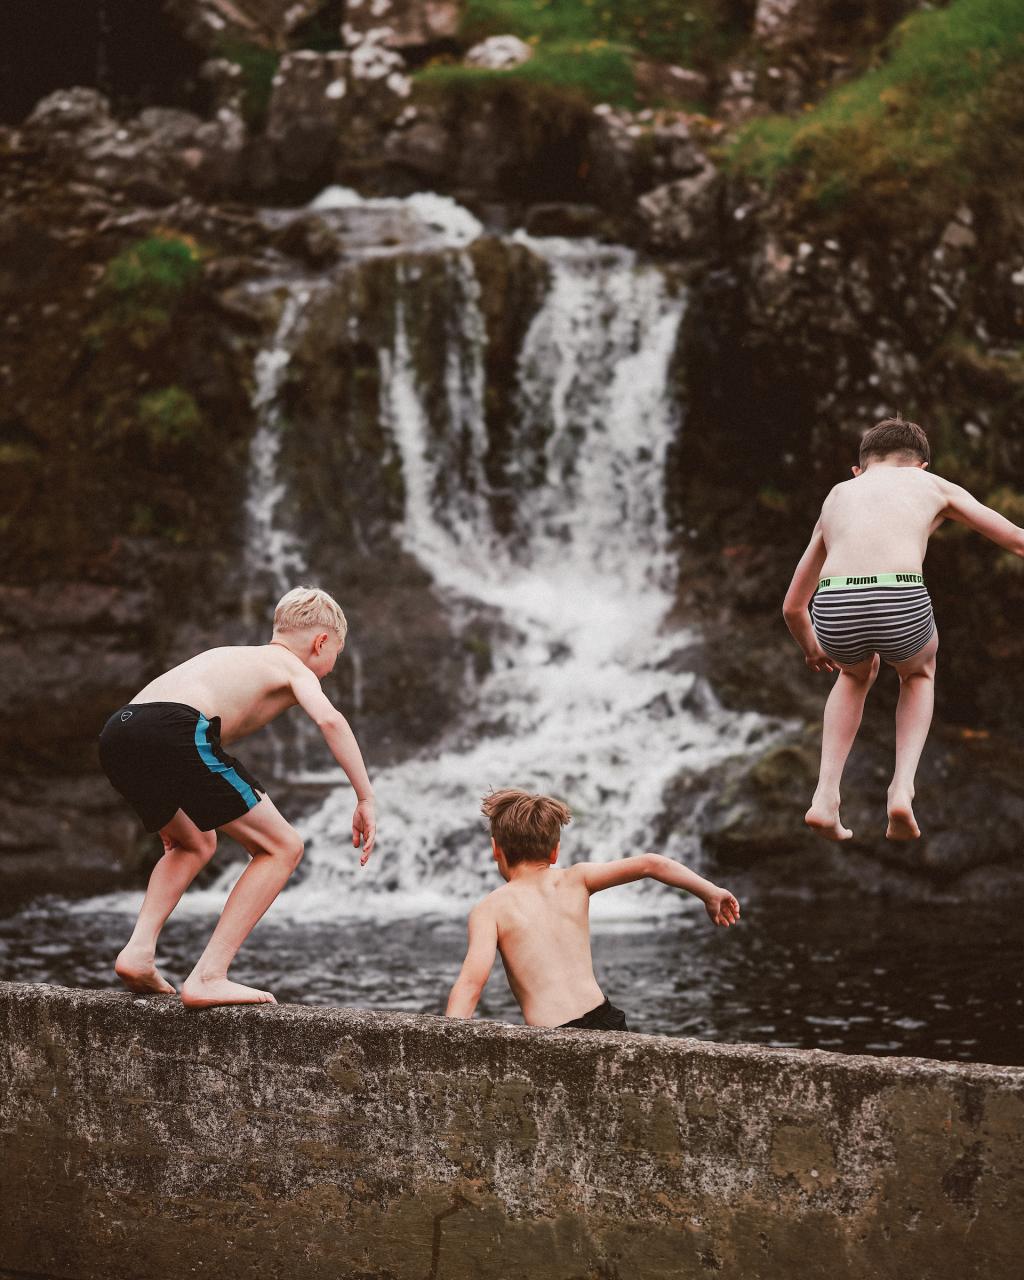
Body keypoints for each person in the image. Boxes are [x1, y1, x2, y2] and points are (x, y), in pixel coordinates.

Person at [98, 585, 375, 1008]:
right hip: (177, 727)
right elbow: (330, 721)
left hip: (121, 730)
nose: (328, 670)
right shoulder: (291, 666)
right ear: (321, 641)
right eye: (333, 656)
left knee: (192, 842)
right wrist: (365, 797)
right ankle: (209, 975)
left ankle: (138, 951)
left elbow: (150, 728)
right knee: (282, 847)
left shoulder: (230, 654)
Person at [783, 415, 1024, 842]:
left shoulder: (838, 496)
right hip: (900, 596)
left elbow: (793, 607)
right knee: (917, 673)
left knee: (855, 675)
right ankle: (901, 790)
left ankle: (824, 796)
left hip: (835, 599)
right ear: (920, 466)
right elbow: (1016, 541)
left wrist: (812, 647)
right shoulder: (931, 486)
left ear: (858, 469)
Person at [445, 788, 740, 1030]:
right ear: (554, 851)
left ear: (496, 849)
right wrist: (710, 892)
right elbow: (652, 863)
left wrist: (446, 1044)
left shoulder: (490, 909)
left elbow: (472, 984)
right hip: (606, 1018)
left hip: (554, 1035)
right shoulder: (578, 878)